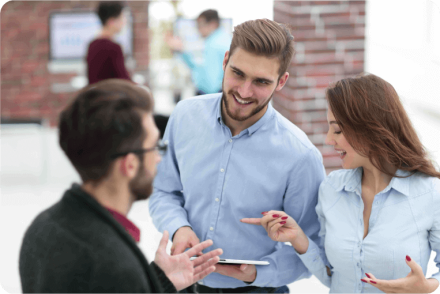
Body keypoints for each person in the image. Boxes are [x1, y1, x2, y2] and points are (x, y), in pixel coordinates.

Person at [149, 19, 326, 294]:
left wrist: (258, 273)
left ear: (282, 82)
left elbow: (313, 250)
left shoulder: (301, 157)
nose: (244, 92)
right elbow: (163, 191)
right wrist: (178, 228)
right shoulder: (184, 116)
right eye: (238, 73)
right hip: (184, 284)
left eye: (261, 82)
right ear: (225, 61)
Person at [241, 73, 440, 294]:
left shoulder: (430, 193)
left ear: (369, 128)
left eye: (337, 130)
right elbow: (332, 275)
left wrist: (428, 287)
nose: (328, 139)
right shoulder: (331, 189)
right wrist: (298, 237)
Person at [19, 79, 223, 294]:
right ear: (130, 164)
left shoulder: (42, 227)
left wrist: (157, 281)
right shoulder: (114, 265)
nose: (159, 159)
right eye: (155, 146)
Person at [166, 9, 231, 96]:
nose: (198, 29)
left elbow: (211, 86)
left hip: (212, 95)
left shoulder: (214, 44)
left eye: (200, 25)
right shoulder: (224, 39)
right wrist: (181, 51)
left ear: (213, 24)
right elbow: (200, 69)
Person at [86, 1, 132, 85]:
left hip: (96, 96)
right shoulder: (113, 48)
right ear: (111, 21)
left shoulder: (92, 45)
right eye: (122, 17)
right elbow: (125, 81)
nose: (124, 22)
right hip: (111, 96)